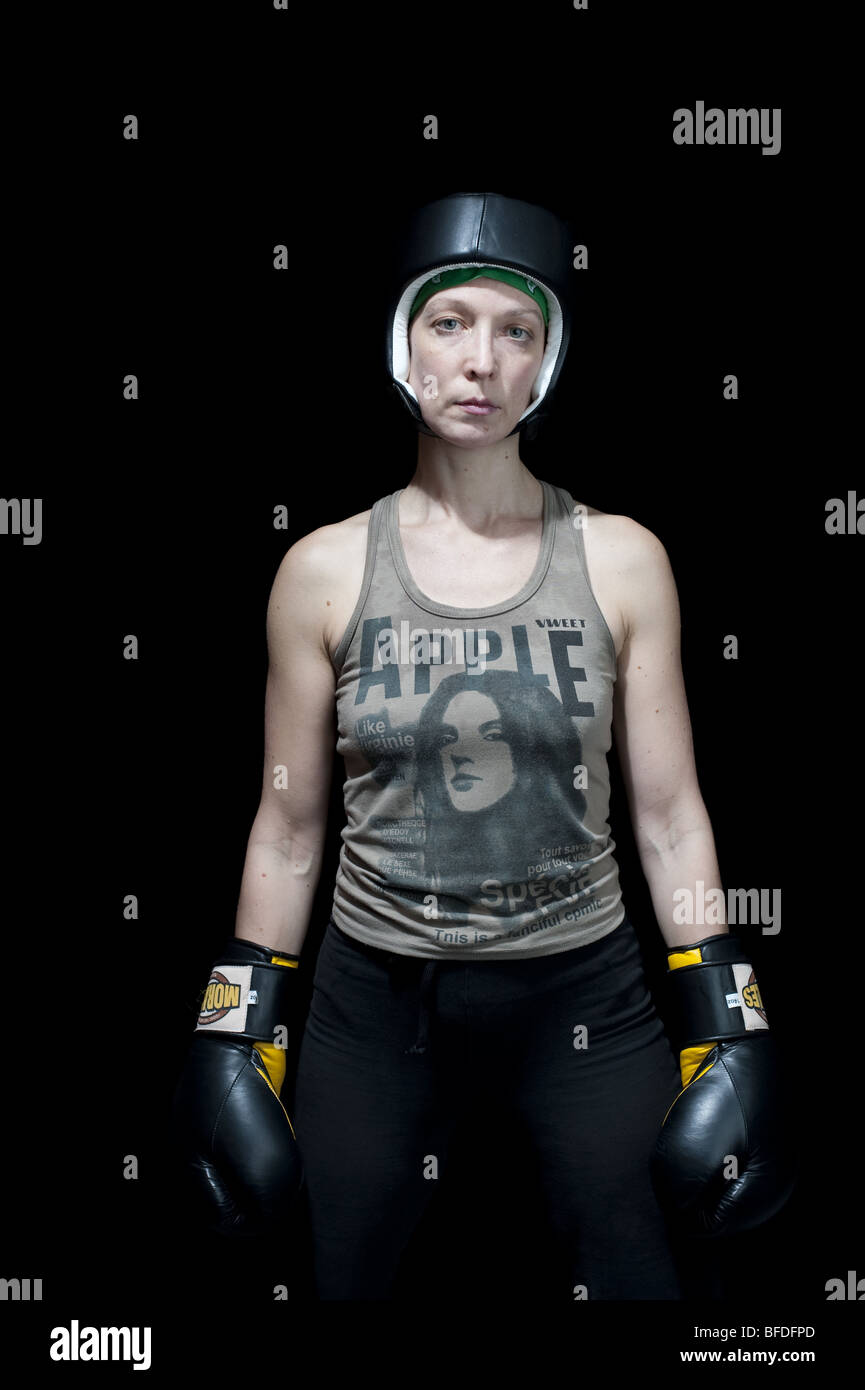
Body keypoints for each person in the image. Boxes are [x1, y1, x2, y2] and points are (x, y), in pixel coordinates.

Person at [172, 192, 795, 1300]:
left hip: (584, 997)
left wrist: (730, 1023)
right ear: (401, 344)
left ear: (546, 362)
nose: (479, 361)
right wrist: (234, 1033)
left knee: (641, 1282)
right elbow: (287, 825)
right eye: (448, 322)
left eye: (517, 331)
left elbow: (668, 816)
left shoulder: (620, 558)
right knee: (336, 1282)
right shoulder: (322, 569)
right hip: (375, 1005)